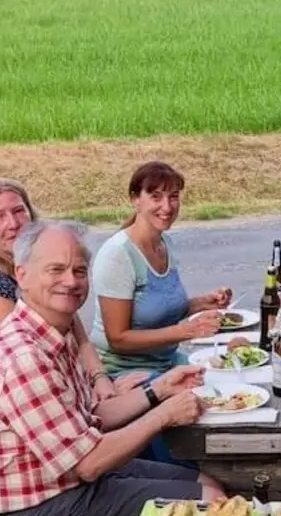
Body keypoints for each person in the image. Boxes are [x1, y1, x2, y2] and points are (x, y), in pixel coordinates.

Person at [0, 219, 225, 516]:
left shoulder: (51, 335)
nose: (71, 281)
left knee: (203, 479)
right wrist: (163, 416)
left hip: (66, 487)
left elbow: (94, 418)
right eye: (56, 270)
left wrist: (159, 390)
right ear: (22, 275)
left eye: (79, 270)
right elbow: (88, 464)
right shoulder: (23, 356)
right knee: (211, 505)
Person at [0, 176, 147, 400]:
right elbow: (24, 359)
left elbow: (80, 339)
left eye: (19, 211)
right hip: (36, 399)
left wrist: (101, 380)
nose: (13, 223)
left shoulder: (45, 274)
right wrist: (96, 392)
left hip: (71, 385)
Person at [91, 161, 232, 377]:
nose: (167, 207)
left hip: (166, 361)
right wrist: (185, 331)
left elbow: (157, 310)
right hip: (124, 370)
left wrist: (202, 303)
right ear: (135, 200)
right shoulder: (118, 255)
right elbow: (118, 339)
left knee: (229, 375)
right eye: (156, 197)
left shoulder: (165, 242)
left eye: (173, 196)